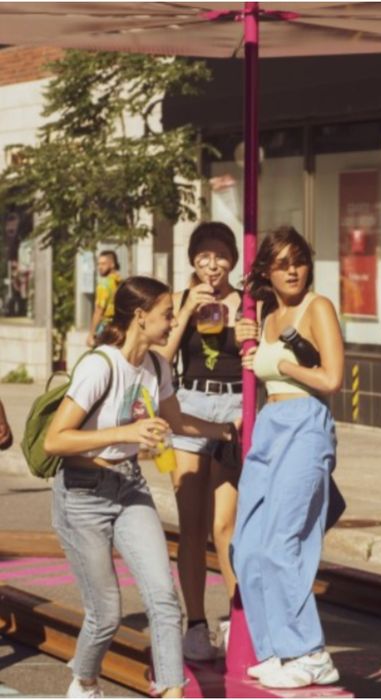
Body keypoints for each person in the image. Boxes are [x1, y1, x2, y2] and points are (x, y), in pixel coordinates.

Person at [42, 276, 240, 699]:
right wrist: (128, 432)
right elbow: (56, 440)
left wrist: (225, 430)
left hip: (129, 487)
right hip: (82, 492)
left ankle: (171, 690)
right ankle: (85, 681)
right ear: (140, 315)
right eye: (168, 314)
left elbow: (179, 421)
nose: (173, 323)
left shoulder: (157, 367)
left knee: (164, 597)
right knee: (106, 614)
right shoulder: (101, 365)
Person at [233, 226, 344, 689]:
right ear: (267, 272)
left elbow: (333, 378)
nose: (293, 269)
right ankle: (278, 649)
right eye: (282, 263)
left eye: (298, 260)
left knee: (282, 542)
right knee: (247, 545)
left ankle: (310, 651)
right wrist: (250, 342)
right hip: (269, 428)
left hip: (304, 425)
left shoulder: (316, 307)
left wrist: (283, 364)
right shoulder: (263, 313)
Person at [153, 222, 244, 662]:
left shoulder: (247, 303)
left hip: (234, 410)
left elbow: (254, 359)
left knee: (224, 526)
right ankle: (195, 624)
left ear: (233, 259)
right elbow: (161, 360)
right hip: (187, 408)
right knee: (191, 526)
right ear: (192, 259)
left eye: (221, 255)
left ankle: (236, 619)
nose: (213, 264)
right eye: (204, 256)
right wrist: (186, 310)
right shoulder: (177, 301)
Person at [88, 251, 123, 348]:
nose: (100, 267)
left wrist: (91, 334)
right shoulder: (121, 282)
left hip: (105, 328)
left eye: (103, 264)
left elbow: (99, 310)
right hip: (120, 328)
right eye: (98, 264)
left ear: (112, 264)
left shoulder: (104, 284)